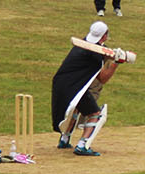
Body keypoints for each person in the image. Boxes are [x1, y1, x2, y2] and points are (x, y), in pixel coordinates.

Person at [51, 22, 122, 156]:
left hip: (61, 83)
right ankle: (82, 145)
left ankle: (64, 139)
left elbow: (102, 50)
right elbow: (102, 79)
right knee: (95, 114)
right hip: (74, 86)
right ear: (105, 35)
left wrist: (113, 54)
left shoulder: (83, 43)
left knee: (76, 109)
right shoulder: (94, 55)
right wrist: (116, 63)